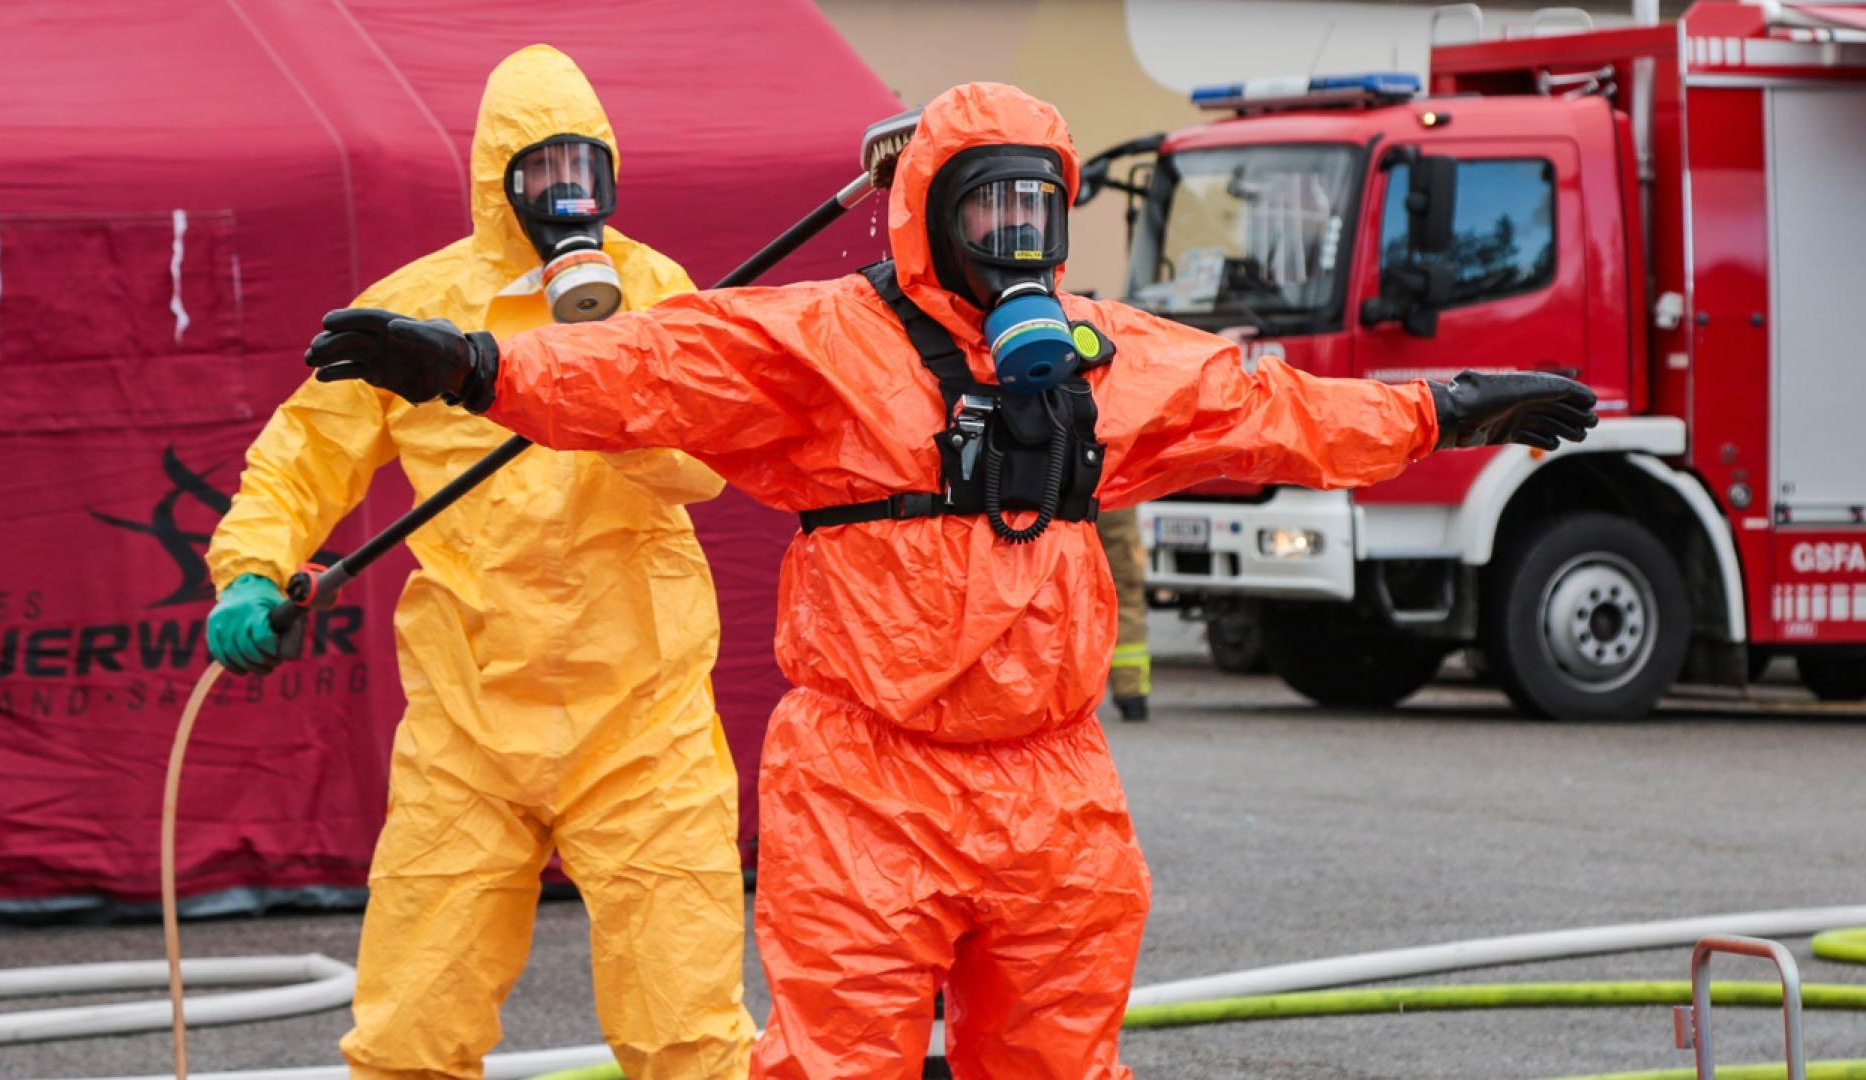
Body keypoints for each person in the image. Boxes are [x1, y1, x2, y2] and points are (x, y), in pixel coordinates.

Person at [303, 82, 1597, 1079]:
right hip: (869, 780)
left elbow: (1276, 410)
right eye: (986, 210)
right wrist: (477, 365)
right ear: (928, 209)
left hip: (1055, 786)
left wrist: (1447, 405)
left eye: (1037, 210)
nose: (1013, 240)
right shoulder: (825, 344)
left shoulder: (1102, 362)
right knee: (837, 1059)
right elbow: (652, 365)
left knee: (1057, 1057)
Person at [203, 45, 755, 1080]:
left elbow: (704, 466)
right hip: (468, 723)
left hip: (641, 722)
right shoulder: (418, 317)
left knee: (688, 1036)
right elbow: (301, 458)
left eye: (584, 167)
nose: (568, 193)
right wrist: (253, 569)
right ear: (498, 179)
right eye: (541, 170)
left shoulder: (656, 294)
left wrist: (601, 368)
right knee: (411, 1032)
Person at [1098, 507, 1151, 720]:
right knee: (1125, 595)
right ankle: (1131, 693)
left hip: (1058, 496)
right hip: (1113, 499)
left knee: (1059, 594)